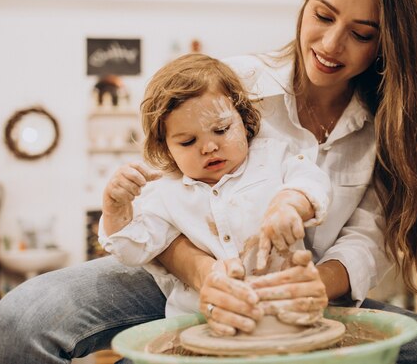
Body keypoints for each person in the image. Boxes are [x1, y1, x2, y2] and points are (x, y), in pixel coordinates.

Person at [0, 0, 417, 363]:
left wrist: (315, 285)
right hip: (185, 276)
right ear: (305, 4)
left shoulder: (388, 123)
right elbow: (163, 199)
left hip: (311, 291)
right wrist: (205, 274)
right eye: (323, 16)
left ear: (386, 44)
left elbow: (367, 237)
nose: (331, 44)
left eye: (361, 33)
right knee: (22, 317)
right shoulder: (231, 84)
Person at [98, 53, 331, 327]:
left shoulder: (272, 158)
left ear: (244, 121)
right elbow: (131, 249)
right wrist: (115, 209)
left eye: (221, 130)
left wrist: (290, 203)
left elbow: (311, 179)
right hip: (200, 326)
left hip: (284, 317)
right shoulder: (164, 193)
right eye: (187, 141)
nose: (208, 147)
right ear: (166, 149)